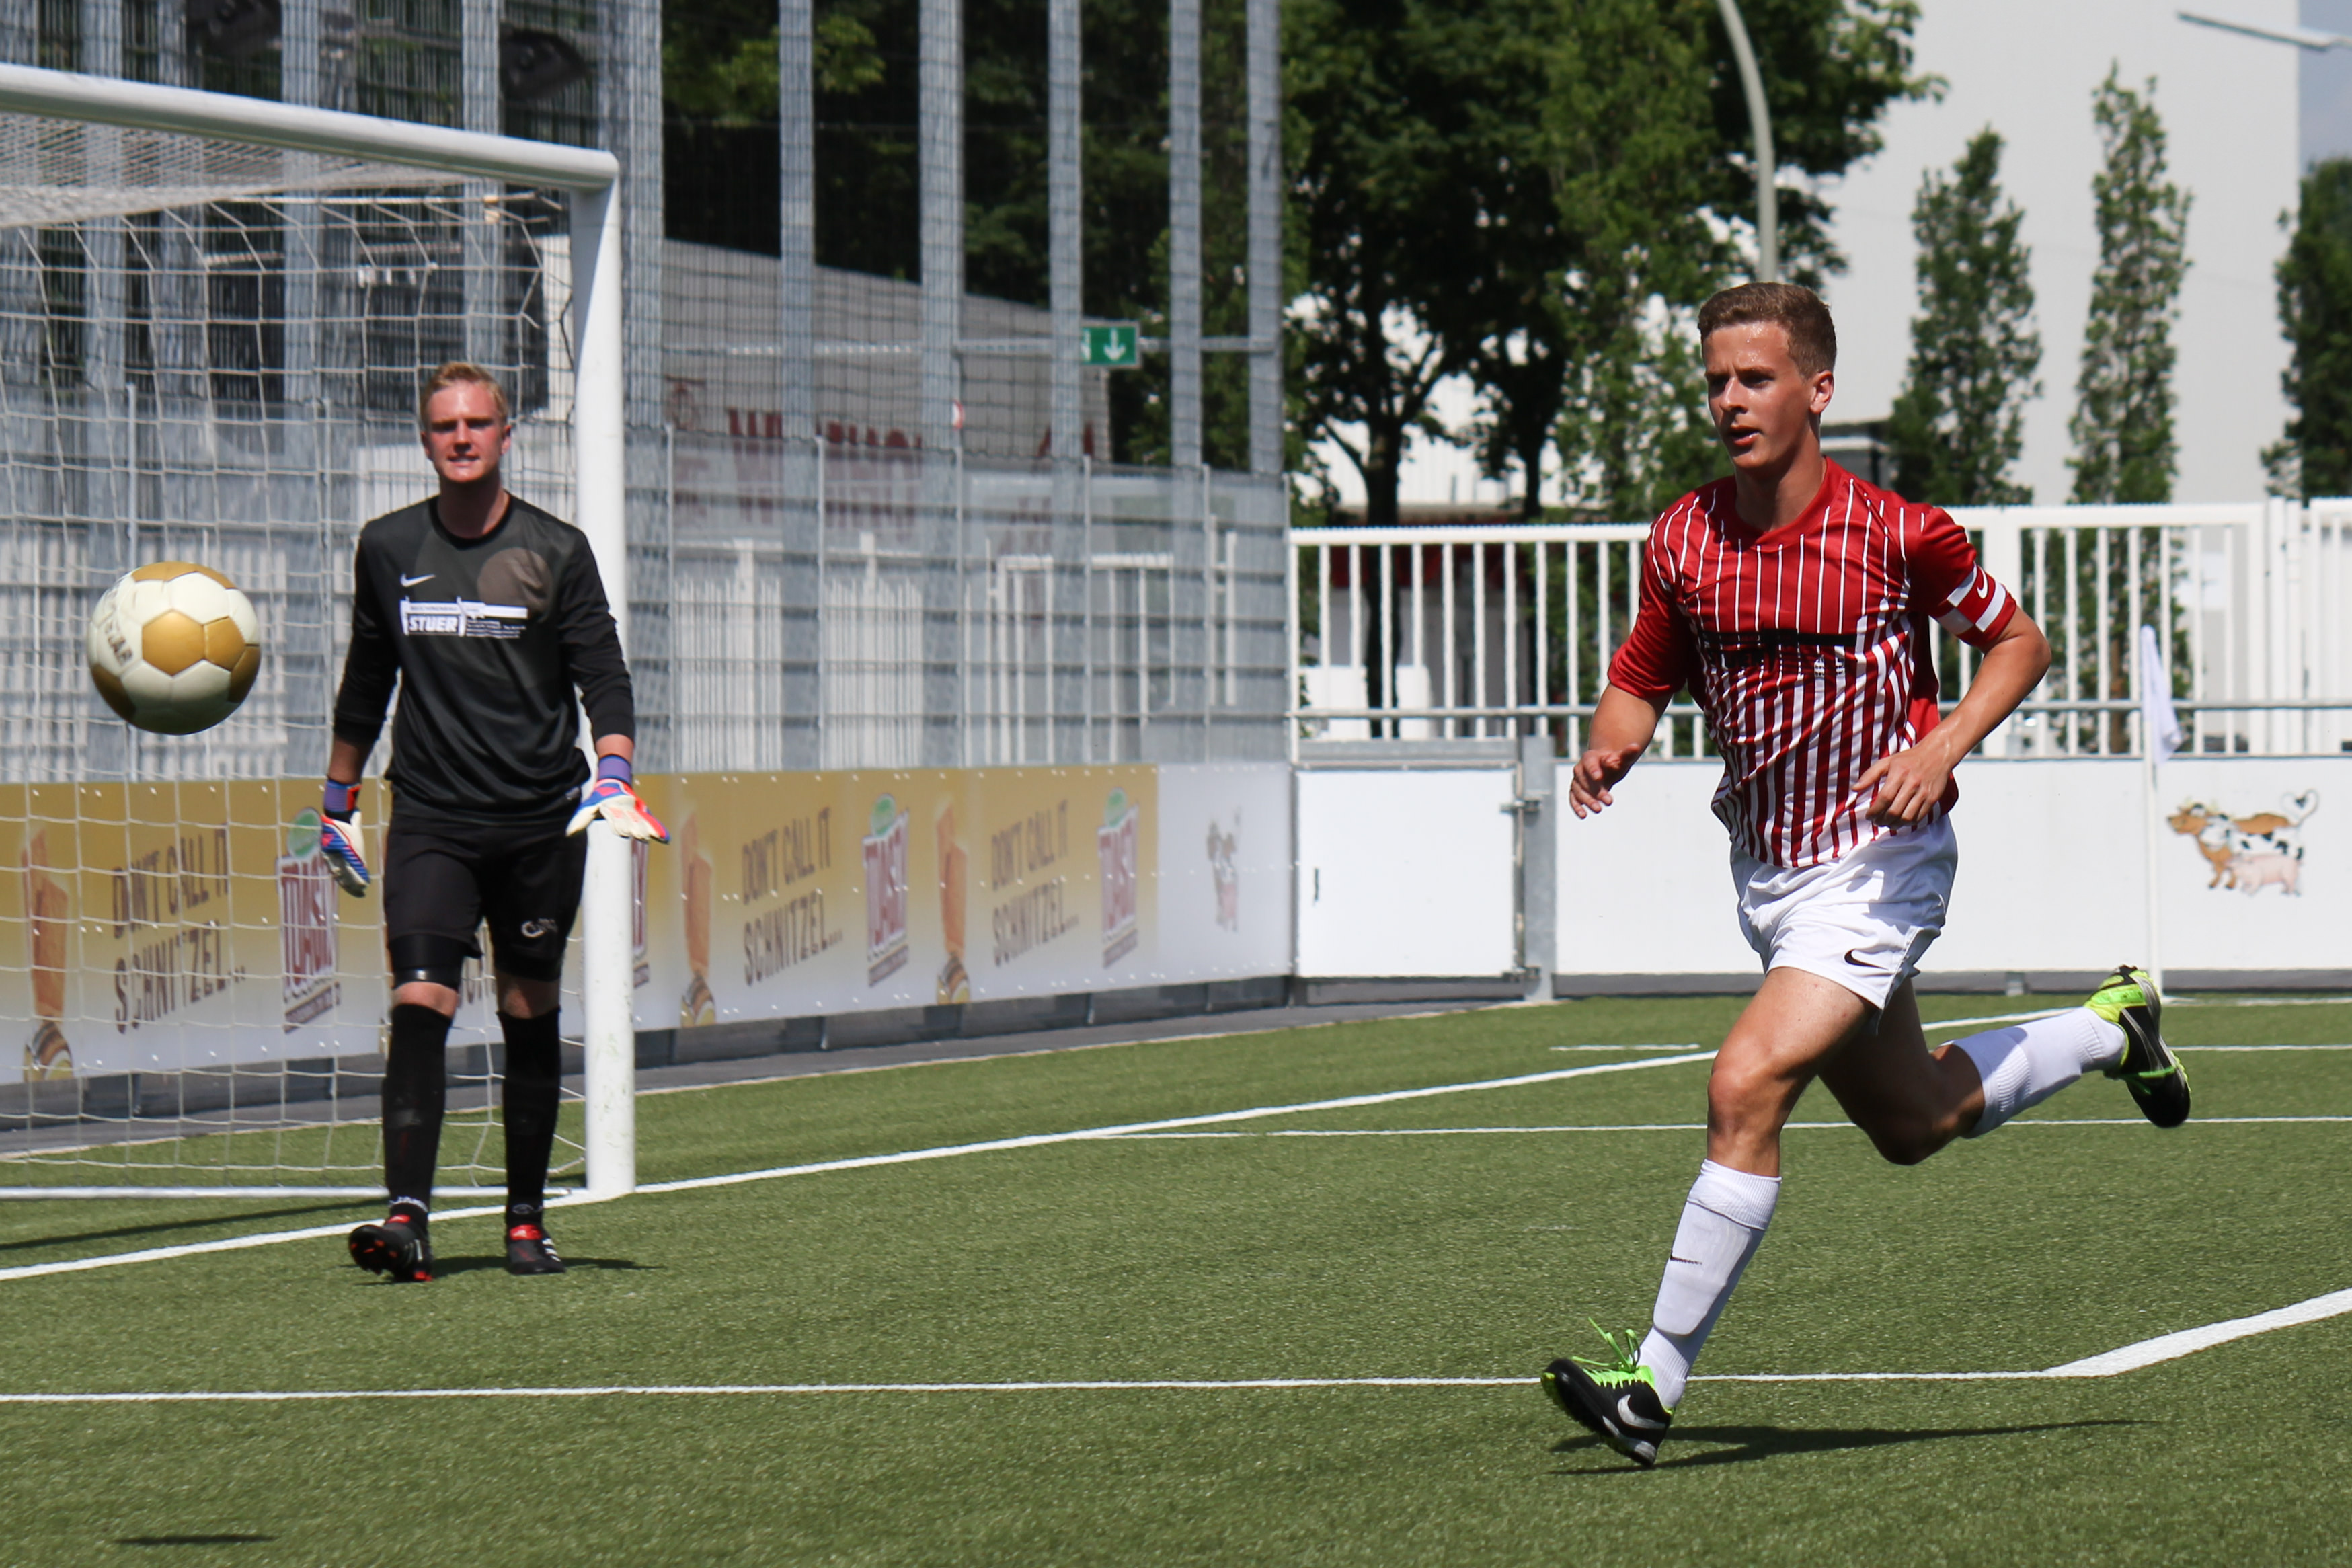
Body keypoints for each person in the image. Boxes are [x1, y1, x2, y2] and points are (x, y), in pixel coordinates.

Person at [1540, 283, 2191, 1466]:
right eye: (1715, 381)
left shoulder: (1898, 533)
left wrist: (1941, 746)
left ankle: (1650, 1387)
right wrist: (1609, 745)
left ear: (1818, 390)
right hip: (1773, 876)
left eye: (1755, 378)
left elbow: (2019, 643)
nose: (1730, 401)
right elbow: (1640, 674)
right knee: (1913, 1121)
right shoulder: (1683, 537)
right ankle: (2112, 1029)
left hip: (1881, 865)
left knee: (1744, 1084)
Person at [320, 362, 668, 1284]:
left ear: (506, 436)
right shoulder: (388, 547)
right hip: (431, 817)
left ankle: (524, 1220)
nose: (462, 438)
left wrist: (615, 770)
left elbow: (603, 674)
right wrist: (336, 801)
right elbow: (366, 681)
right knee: (420, 1000)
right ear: (425, 440)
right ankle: (407, 1220)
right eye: (446, 426)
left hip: (538, 822)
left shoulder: (556, 549)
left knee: (526, 1007)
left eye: (478, 423)